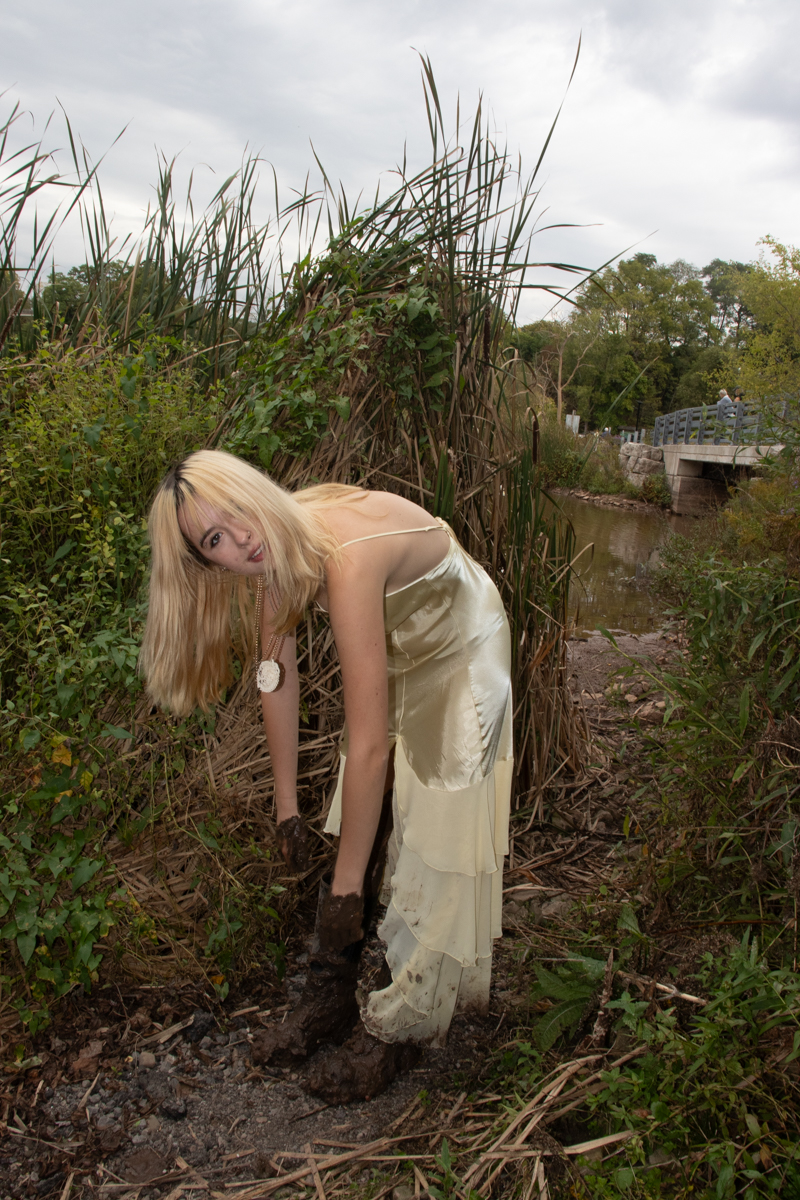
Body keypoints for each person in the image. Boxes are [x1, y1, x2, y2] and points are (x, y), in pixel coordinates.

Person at [141, 449, 513, 1102]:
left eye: (234, 511)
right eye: (215, 539)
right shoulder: (274, 560)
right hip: (401, 644)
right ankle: (331, 999)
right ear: (207, 562)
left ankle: (400, 1029)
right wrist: (288, 807)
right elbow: (274, 677)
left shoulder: (345, 557)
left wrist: (341, 893)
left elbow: (371, 751)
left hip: (463, 644)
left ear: (254, 489)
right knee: (359, 796)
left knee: (436, 825)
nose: (240, 537)